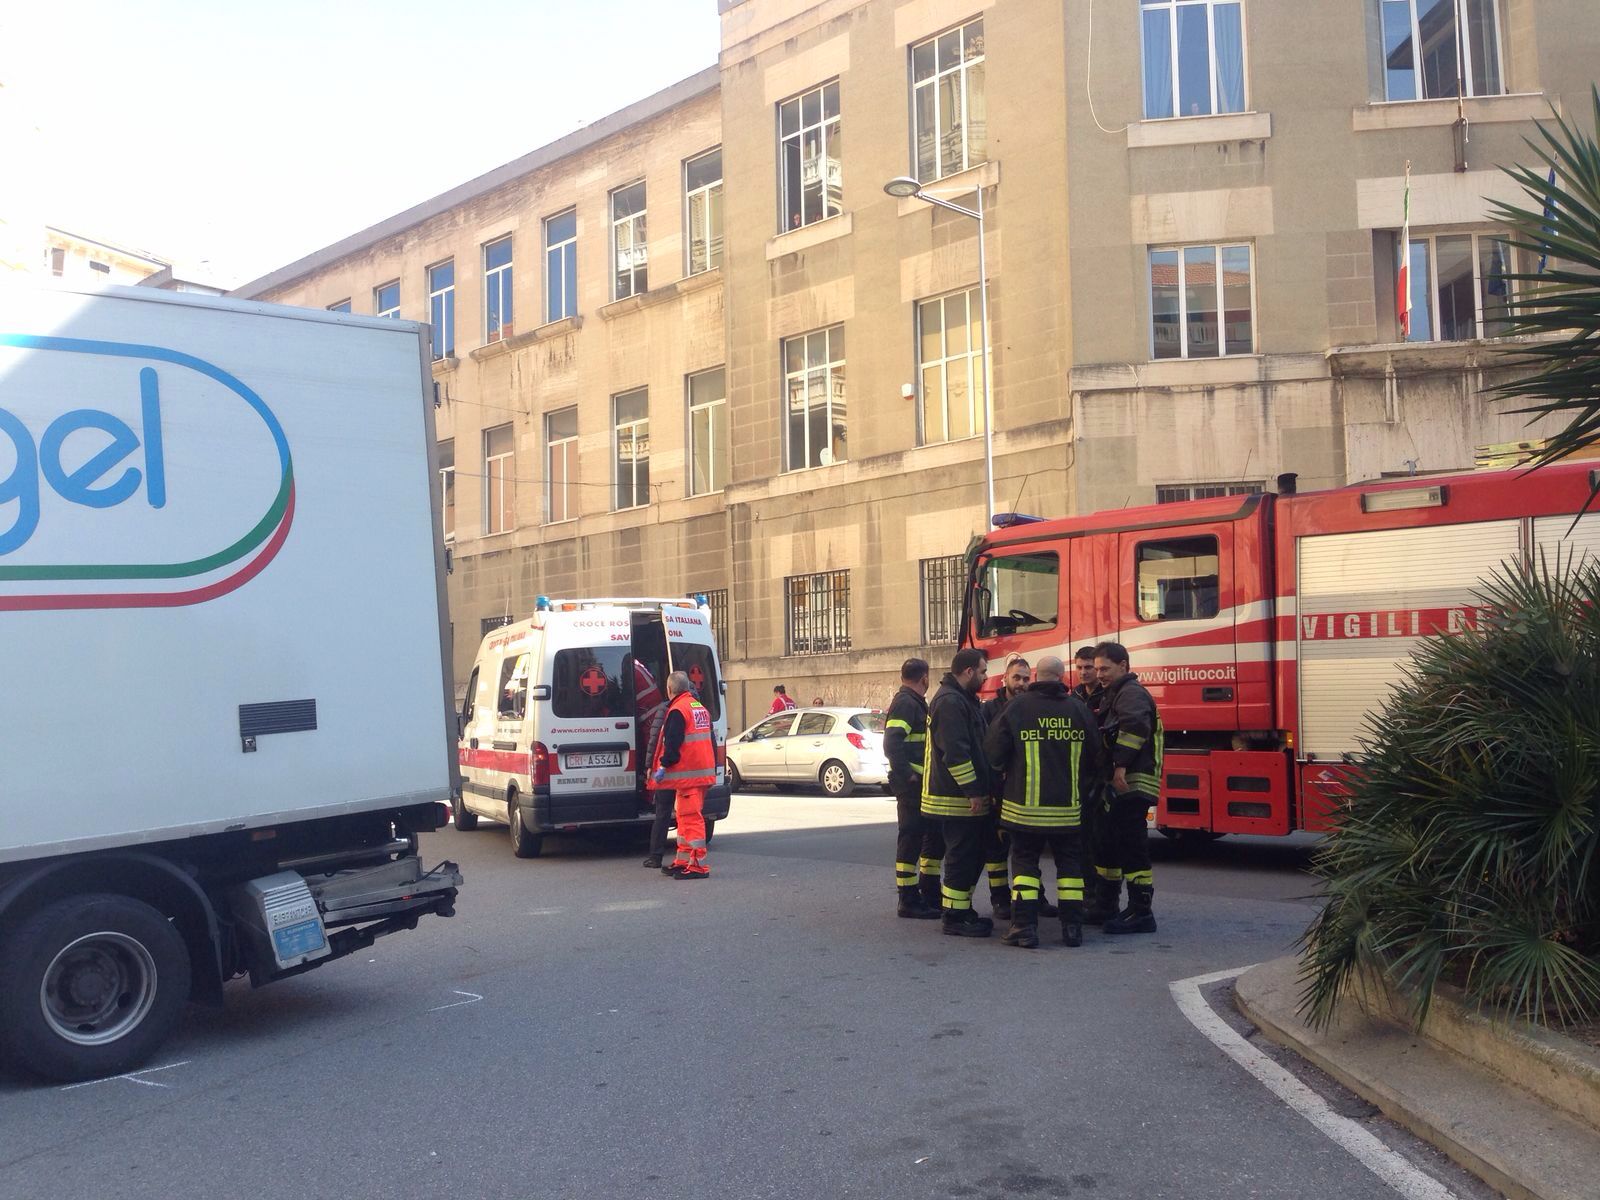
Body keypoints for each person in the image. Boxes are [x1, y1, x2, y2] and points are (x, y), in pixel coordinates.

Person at [984, 656, 1099, 948]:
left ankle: (1024, 928)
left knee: (1024, 865)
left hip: (1024, 811)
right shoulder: (1078, 709)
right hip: (1068, 810)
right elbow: (1097, 757)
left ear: (1036, 675)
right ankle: (1072, 928)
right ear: (1062, 677)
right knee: (1070, 868)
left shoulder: (1017, 708)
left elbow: (993, 753)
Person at [920, 648, 996, 937]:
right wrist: (973, 792)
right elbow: (956, 754)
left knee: (971, 855)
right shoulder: (950, 702)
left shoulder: (961, 699)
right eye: (983, 671)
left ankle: (961, 909)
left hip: (961, 797)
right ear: (968, 672)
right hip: (955, 799)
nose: (985, 676)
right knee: (961, 856)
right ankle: (954, 916)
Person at [1091, 642, 1162, 933]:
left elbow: (1135, 729)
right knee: (1110, 842)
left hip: (1133, 780)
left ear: (1123, 665)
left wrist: (1119, 765)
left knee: (1132, 846)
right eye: (1096, 669)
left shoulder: (1130, 693)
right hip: (1121, 781)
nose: (1099, 674)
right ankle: (1106, 905)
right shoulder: (1115, 693)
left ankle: (1141, 911)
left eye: (1104, 668)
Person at [885, 658, 941, 919]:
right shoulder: (907, 704)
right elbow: (892, 743)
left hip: (919, 783)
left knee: (922, 837)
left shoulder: (913, 702)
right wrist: (908, 775)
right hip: (912, 786)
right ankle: (907, 899)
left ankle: (923, 893)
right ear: (925, 678)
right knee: (910, 839)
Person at [977, 654, 1032, 921]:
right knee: (996, 848)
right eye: (1017, 678)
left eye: (1026, 678)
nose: (1021, 683)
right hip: (998, 788)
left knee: (1028, 849)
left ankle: (1034, 898)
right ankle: (1000, 900)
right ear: (1005, 679)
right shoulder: (989, 710)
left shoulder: (1033, 706)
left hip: (1025, 789)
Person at [651, 671, 717, 880]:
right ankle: (683, 860)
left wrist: (663, 766)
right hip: (698, 772)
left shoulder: (678, 709)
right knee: (684, 817)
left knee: (691, 818)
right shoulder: (699, 707)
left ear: (669, 689)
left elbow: (673, 742)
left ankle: (697, 865)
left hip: (690, 775)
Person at [1069, 645, 1111, 910]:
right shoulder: (1072, 696)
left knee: (1101, 839)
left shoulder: (1107, 696)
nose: (1084, 673)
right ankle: (1088, 892)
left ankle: (1102, 897)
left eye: (1089, 668)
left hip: (1100, 776)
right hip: (1078, 777)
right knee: (1081, 840)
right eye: (1080, 668)